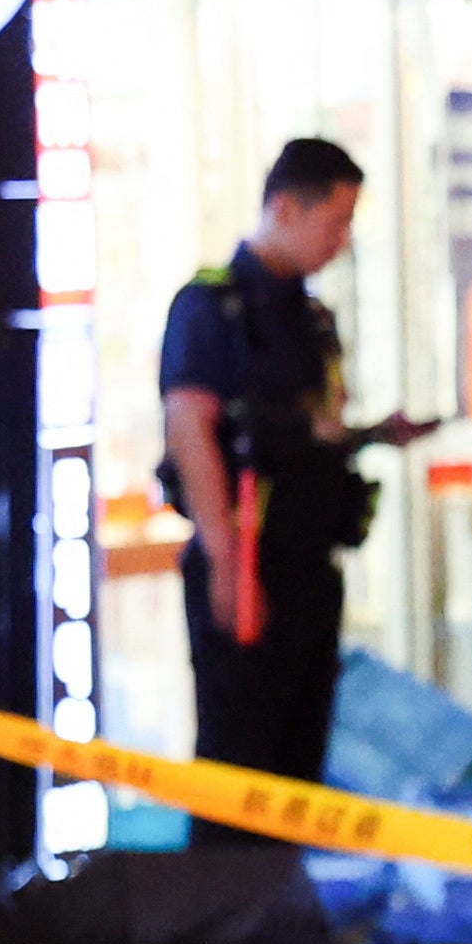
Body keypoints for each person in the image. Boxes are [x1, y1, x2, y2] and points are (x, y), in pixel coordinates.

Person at [159, 137, 427, 814]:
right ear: (285, 206)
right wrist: (226, 561)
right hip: (248, 560)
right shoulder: (213, 308)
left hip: (311, 562)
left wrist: (371, 435)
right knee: (241, 759)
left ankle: (285, 906)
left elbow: (317, 427)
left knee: (300, 759)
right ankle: (234, 908)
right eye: (334, 221)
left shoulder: (308, 317)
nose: (341, 240)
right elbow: (192, 432)